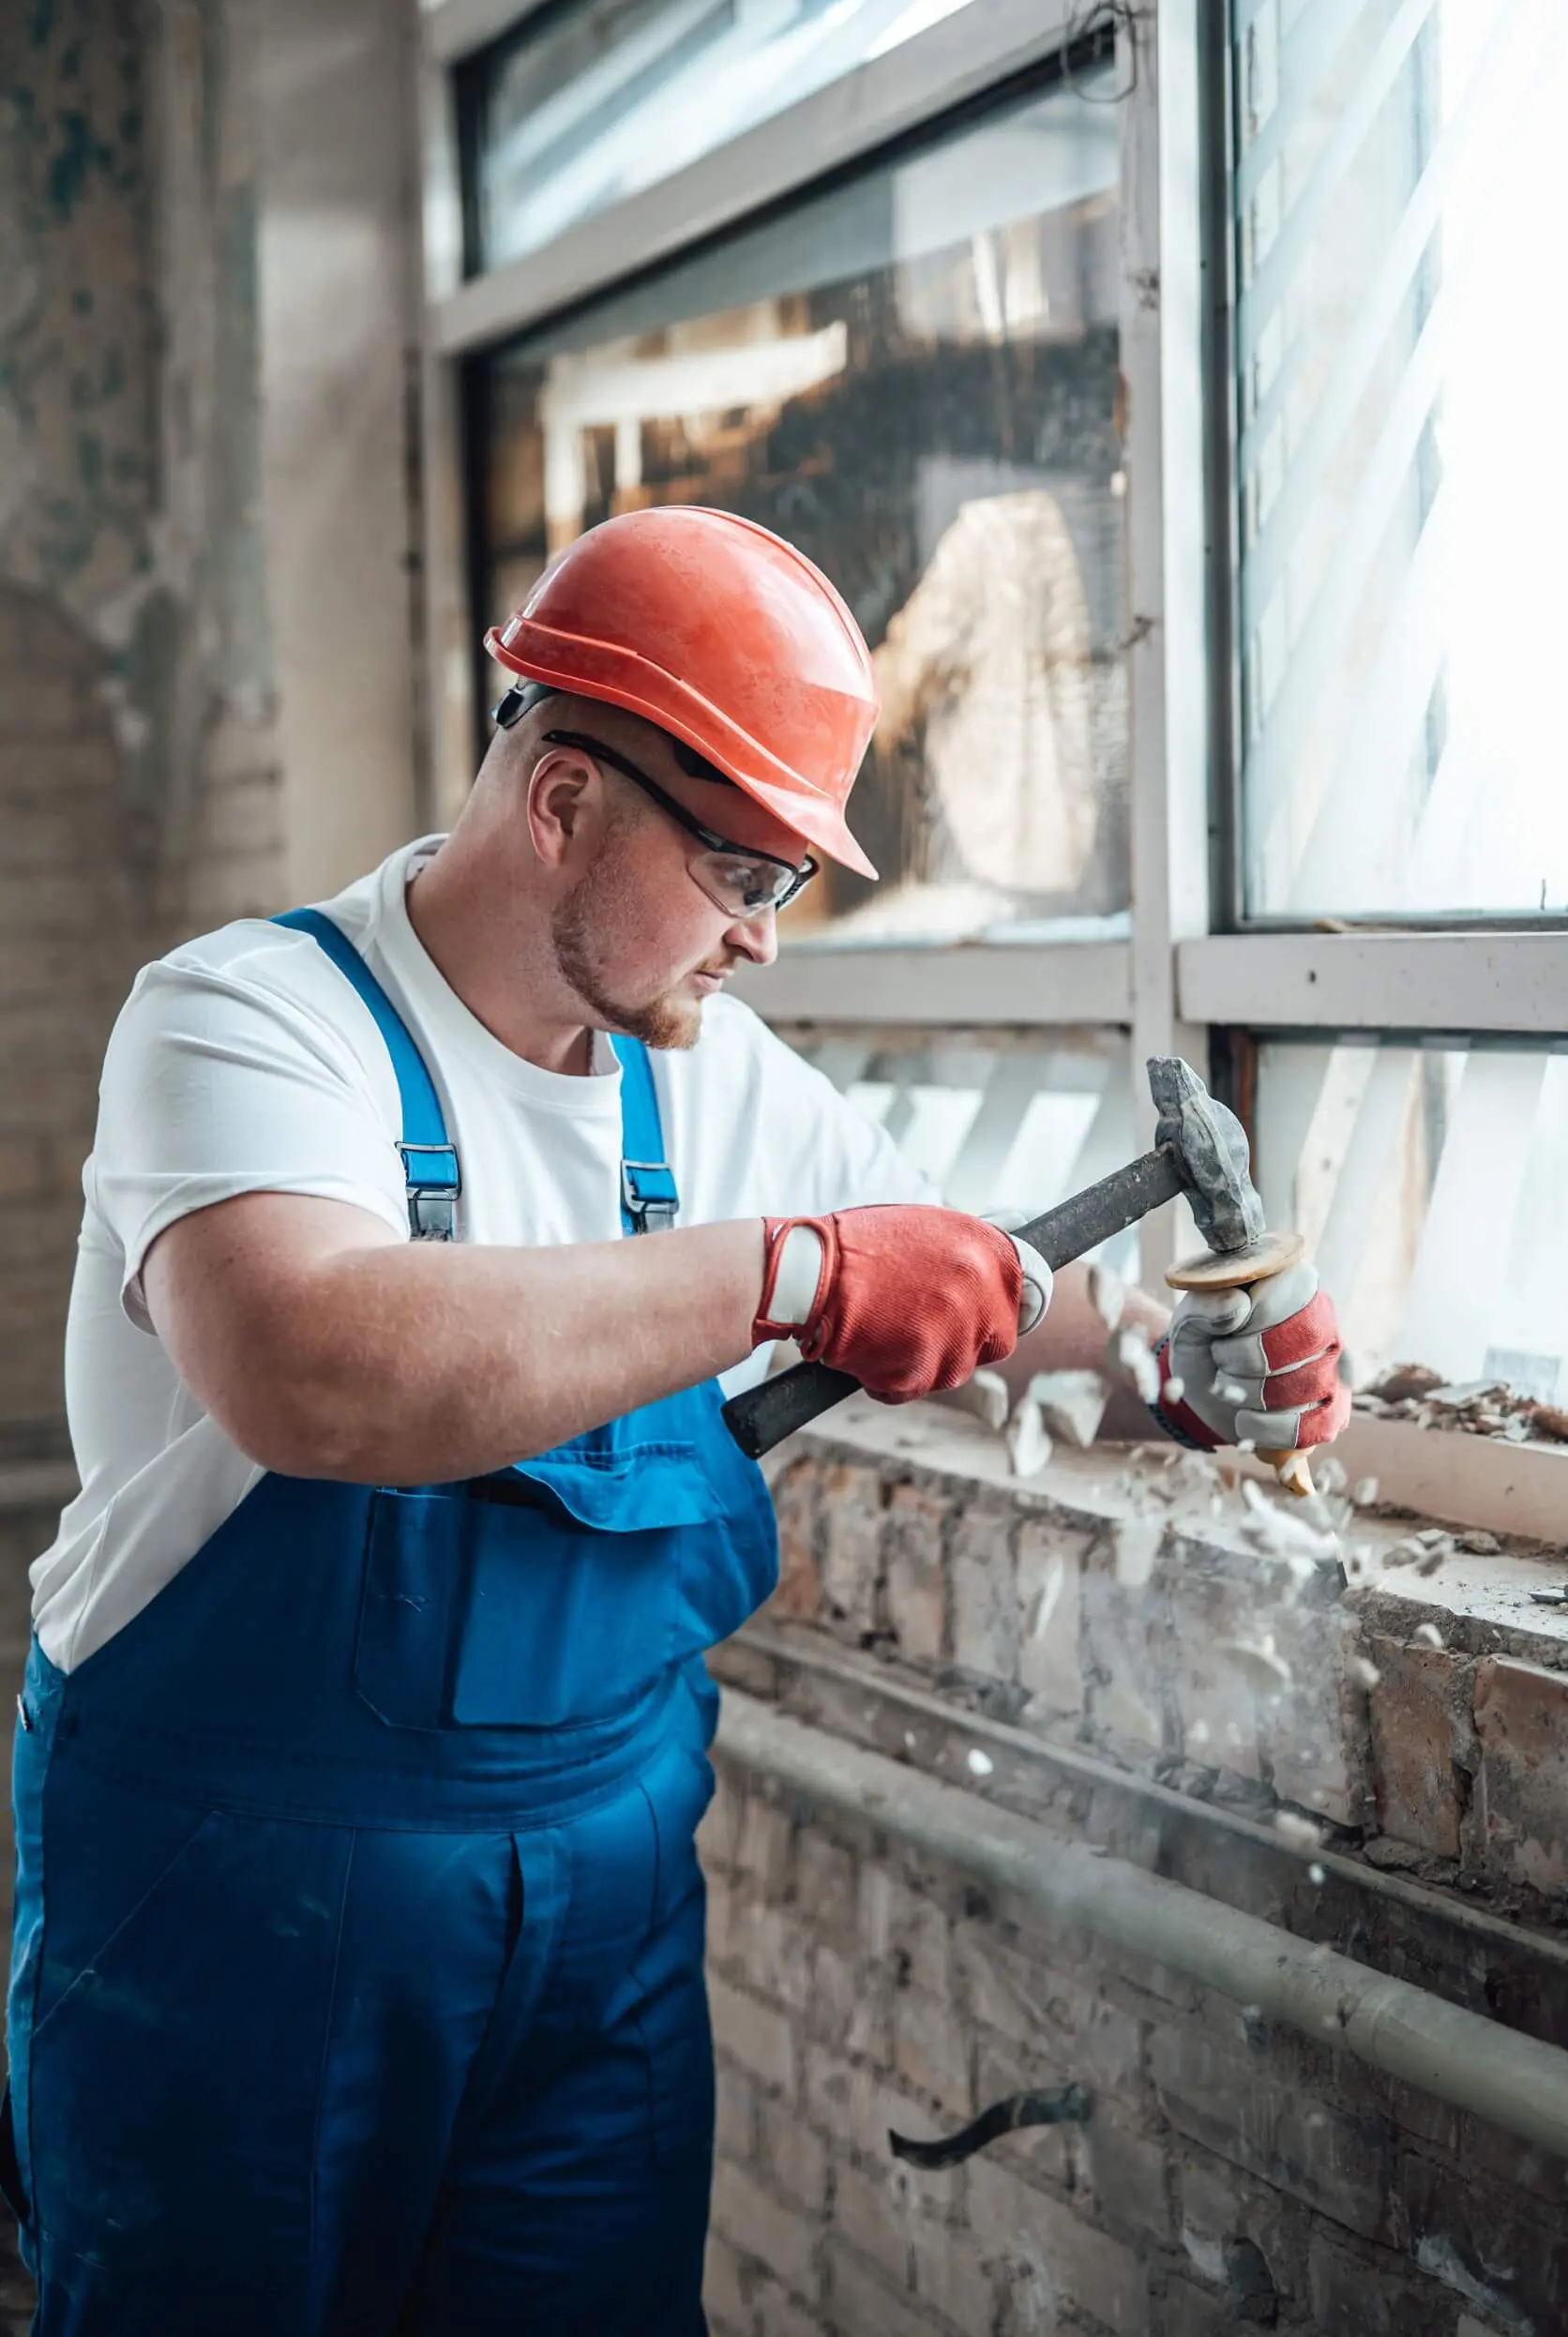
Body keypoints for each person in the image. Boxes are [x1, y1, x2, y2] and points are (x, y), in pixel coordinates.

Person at [4, 507, 1349, 2335]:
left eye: (785, 882)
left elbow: (967, 1287)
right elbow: (306, 1362)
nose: (762, 944)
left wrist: (1179, 1375)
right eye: (743, 874)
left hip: (603, 1912)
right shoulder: (251, 1022)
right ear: (562, 801)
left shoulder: (700, 1079)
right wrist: (781, 1275)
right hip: (240, 1907)